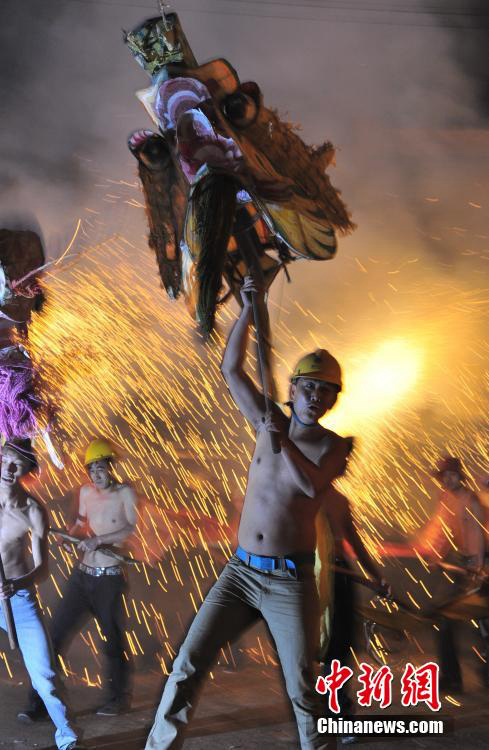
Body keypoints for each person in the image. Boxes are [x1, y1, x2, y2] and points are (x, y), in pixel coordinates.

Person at [144, 276, 352, 750]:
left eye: (326, 392)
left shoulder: (335, 446)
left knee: (302, 687)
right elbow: (232, 369)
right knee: (188, 664)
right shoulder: (267, 419)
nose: (316, 397)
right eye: (308, 388)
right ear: (293, 388)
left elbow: (309, 484)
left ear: (333, 400)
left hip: (288, 583)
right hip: (239, 573)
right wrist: (247, 309)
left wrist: (279, 441)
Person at [22, 438, 138, 719]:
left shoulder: (125, 494)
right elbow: (80, 523)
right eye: (92, 470)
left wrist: (100, 540)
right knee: (55, 635)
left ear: (111, 467)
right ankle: (40, 703)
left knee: (112, 641)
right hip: (82, 578)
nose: (97, 475)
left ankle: (117, 699)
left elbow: (131, 530)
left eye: (101, 468)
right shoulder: (86, 492)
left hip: (109, 579)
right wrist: (70, 533)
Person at [0, 438, 84, 750]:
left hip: (18, 601)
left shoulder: (34, 510)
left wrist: (17, 584)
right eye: (6, 458)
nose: (9, 467)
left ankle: (67, 737)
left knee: (45, 677)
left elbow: (42, 568)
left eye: (17, 463)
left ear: (28, 469)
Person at [316, 474, 388, 727]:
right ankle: (321, 712)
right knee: (322, 646)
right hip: (312, 578)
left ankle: (337, 712)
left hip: (339, 576)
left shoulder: (339, 500)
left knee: (341, 644)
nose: (345, 466)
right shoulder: (302, 496)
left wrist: (376, 576)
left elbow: (354, 540)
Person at [414, 455, 485, 692]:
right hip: (462, 563)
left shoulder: (471, 500)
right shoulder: (445, 497)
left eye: (452, 475)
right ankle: (451, 678)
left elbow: (476, 536)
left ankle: (484, 675)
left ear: (459, 476)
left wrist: (477, 570)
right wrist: (434, 553)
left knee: (483, 626)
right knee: (444, 619)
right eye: (444, 475)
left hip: (480, 565)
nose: (447, 479)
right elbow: (441, 529)